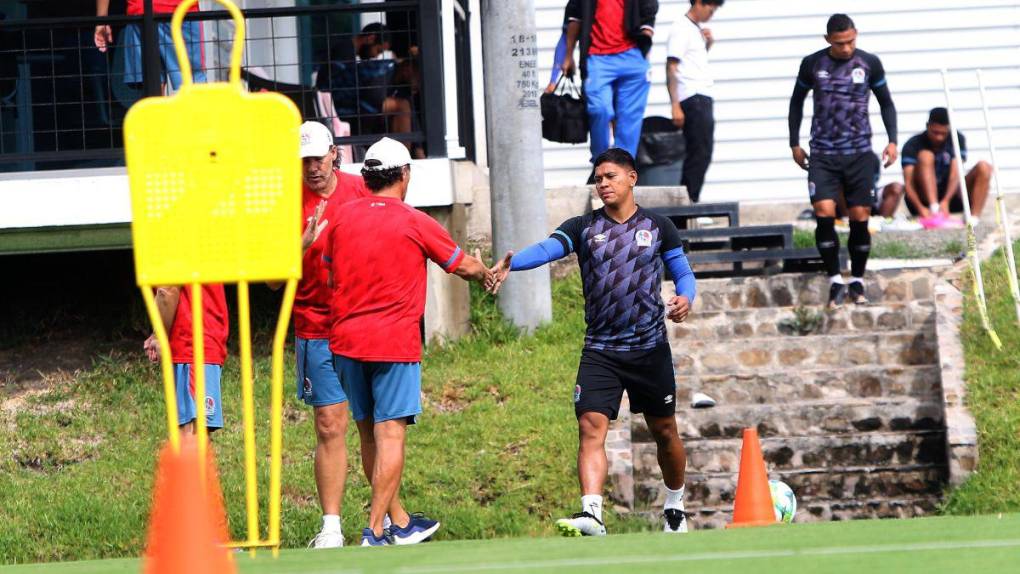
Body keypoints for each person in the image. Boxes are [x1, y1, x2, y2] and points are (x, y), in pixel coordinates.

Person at [489, 148, 697, 536]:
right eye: (598, 178)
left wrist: (686, 298)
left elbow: (682, 272)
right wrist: (511, 263)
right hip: (601, 350)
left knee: (664, 430)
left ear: (632, 178)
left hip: (649, 349)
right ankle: (592, 513)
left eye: (610, 176)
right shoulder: (583, 226)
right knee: (590, 426)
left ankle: (674, 505)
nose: (603, 184)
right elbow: (548, 249)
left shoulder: (658, 225)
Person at [324, 137, 495, 546]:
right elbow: (462, 265)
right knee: (391, 435)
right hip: (393, 344)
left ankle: (395, 523)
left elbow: (330, 277)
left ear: (365, 178)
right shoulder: (414, 221)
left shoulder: (341, 218)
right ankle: (377, 529)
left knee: (368, 435)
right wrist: (489, 272)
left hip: (345, 342)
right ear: (404, 175)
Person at [287, 121, 371, 549]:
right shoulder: (287, 201)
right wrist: (299, 245)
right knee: (329, 423)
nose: (312, 168)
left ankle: (385, 520)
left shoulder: (361, 190)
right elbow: (270, 282)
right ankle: (332, 525)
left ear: (335, 153)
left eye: (318, 158)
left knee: (372, 422)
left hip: (361, 324)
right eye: (304, 160)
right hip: (314, 324)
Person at [788, 13, 898, 309]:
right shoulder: (812, 64)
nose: (847, 48)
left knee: (860, 216)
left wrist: (892, 140)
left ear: (856, 35)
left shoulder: (869, 63)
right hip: (822, 153)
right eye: (840, 43)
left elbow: (886, 102)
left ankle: (858, 281)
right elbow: (796, 102)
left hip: (860, 153)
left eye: (851, 41)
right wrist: (794, 143)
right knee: (824, 211)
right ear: (828, 41)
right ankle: (835, 279)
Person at [562, 0, 659, 163]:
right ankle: (602, 162)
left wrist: (644, 50)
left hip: (632, 55)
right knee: (599, 109)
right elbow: (574, 17)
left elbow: (649, 13)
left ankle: (623, 167)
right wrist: (568, 55)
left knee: (629, 118)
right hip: (597, 58)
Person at [143, 284, 228, 434]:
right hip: (200, 342)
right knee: (194, 433)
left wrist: (159, 335)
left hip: (191, 342)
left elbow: (167, 291)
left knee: (192, 434)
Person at [666, 0, 724, 203]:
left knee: (702, 151)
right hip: (692, 97)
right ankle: (688, 203)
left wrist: (707, 45)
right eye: (711, 8)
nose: (711, 14)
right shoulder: (681, 28)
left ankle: (691, 201)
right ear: (699, 2)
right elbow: (672, 66)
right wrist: (675, 105)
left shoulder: (695, 30)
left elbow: (691, 64)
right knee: (699, 152)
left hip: (701, 96)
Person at [894, 107, 992, 226]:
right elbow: (908, 184)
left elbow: (957, 171)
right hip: (923, 202)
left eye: (943, 133)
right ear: (927, 126)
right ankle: (934, 208)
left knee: (984, 167)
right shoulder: (912, 144)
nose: (938, 137)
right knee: (926, 156)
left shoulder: (957, 139)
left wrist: (946, 200)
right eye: (935, 132)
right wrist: (920, 208)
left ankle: (974, 219)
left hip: (951, 198)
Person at [94, 0, 207, 91]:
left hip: (141, 13)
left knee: (152, 86)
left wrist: (102, 18)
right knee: (192, 84)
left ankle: (158, 119)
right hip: (180, 12)